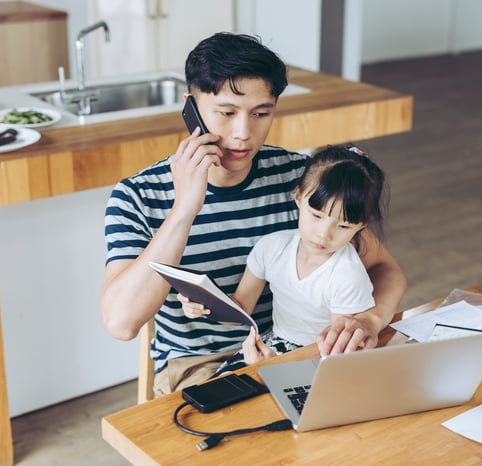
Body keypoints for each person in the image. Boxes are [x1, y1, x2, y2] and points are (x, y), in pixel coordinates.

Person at [100, 32, 406, 397]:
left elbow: (384, 267)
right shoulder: (137, 195)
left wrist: (371, 319)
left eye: (261, 114)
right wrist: (184, 209)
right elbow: (121, 324)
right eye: (226, 113)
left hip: (295, 350)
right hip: (202, 364)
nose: (243, 133)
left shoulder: (301, 179)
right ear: (191, 107)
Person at [182, 145, 388, 373]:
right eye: (317, 215)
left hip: (318, 359)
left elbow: (338, 354)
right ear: (298, 196)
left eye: (342, 226)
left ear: (362, 224)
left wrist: (279, 365)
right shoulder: (272, 247)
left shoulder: (347, 275)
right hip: (274, 345)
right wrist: (206, 305)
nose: (324, 234)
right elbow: (240, 308)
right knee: (220, 390)